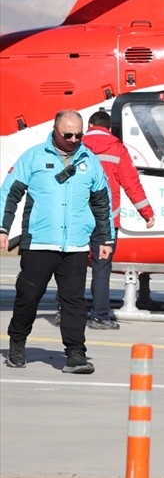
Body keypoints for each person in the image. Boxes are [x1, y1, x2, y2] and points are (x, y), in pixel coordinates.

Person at [2, 110, 114, 374]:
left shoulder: (90, 161)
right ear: (55, 130)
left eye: (79, 134)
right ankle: (17, 341)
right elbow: (10, 193)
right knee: (28, 297)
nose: (75, 139)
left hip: (75, 245)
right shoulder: (34, 157)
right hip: (40, 242)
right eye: (68, 134)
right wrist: (2, 227)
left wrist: (104, 238)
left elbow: (101, 202)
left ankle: (76, 354)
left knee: (74, 301)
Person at [53, 110, 155, 331]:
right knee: (101, 268)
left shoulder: (75, 146)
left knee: (71, 266)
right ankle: (99, 315)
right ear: (109, 128)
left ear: (89, 125)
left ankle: (64, 312)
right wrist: (146, 213)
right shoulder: (118, 149)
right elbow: (131, 184)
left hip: (75, 217)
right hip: (105, 221)